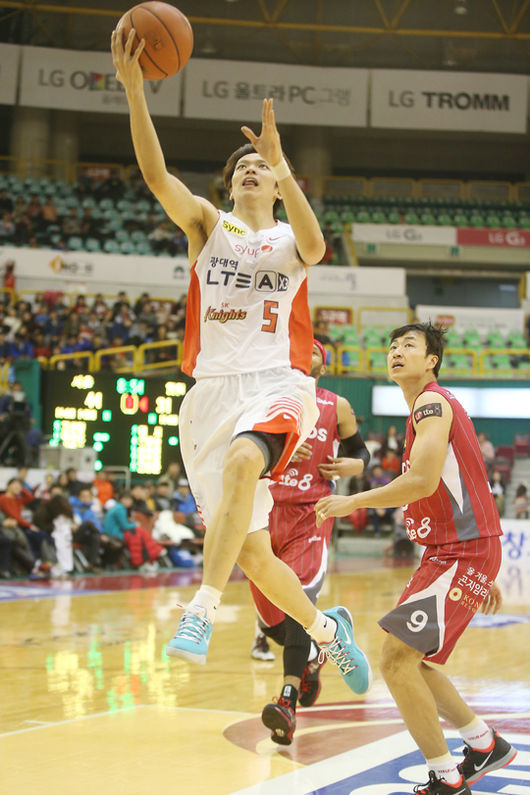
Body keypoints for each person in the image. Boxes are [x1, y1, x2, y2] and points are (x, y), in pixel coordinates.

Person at [111, 28, 371, 694]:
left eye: (261, 167)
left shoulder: (290, 236)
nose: (250, 170)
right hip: (210, 395)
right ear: (229, 185)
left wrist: (283, 163)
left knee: (242, 462)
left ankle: (200, 607)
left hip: (280, 384)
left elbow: (316, 247)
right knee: (253, 552)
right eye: (242, 167)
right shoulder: (208, 224)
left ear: (277, 186)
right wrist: (135, 92)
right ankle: (326, 631)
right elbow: (155, 177)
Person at [315, 322, 517, 795]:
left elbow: (423, 481)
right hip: (458, 550)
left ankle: (446, 776)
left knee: (395, 659)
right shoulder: (425, 410)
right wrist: (480, 565)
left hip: (461, 551)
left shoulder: (431, 403)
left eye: (409, 345)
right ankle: (483, 744)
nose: (396, 351)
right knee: (409, 659)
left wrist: (352, 501)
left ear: (431, 361)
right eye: (392, 345)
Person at [252, 339, 370, 744]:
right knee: (272, 623)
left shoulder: (337, 406)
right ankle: (323, 644)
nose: (306, 353)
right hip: (264, 514)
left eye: (315, 350)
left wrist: (353, 466)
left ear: (323, 365)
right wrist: (279, 449)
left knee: (297, 604)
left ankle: (286, 701)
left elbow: (361, 453)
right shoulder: (264, 400)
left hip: (309, 513)